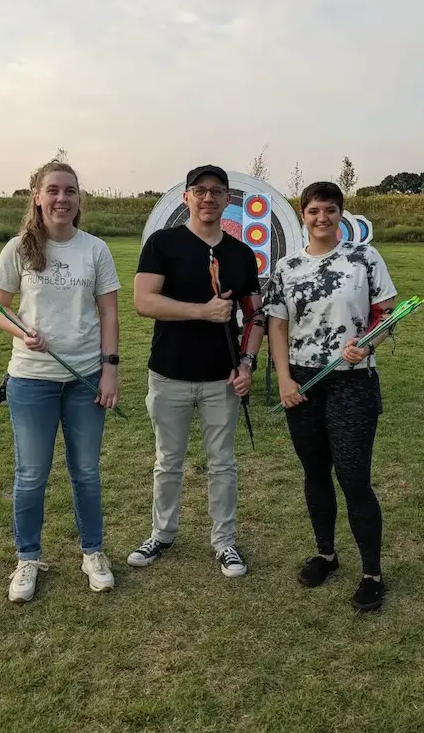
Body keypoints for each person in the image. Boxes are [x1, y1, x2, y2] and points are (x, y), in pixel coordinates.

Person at [0, 159, 121, 603]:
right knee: (31, 474)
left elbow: (108, 312)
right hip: (30, 379)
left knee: (86, 471)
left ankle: (93, 553)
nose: (62, 198)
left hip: (84, 378)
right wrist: (21, 330)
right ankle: (28, 558)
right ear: (38, 197)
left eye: (70, 191)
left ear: (79, 199)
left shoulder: (95, 250)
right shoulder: (19, 248)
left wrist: (110, 369)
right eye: (53, 190)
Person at [264, 181, 397, 612]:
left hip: (352, 380)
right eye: (314, 210)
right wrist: (285, 379)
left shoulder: (364, 258)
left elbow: (387, 313)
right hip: (304, 381)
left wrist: (369, 344)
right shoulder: (286, 267)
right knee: (315, 472)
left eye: (331, 210)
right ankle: (326, 554)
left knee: (354, 477)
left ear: (342, 214)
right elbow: (278, 326)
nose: (322, 218)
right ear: (302, 214)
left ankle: (372, 573)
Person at [128, 165, 265, 577]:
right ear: (186, 197)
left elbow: (255, 316)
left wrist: (248, 362)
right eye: (200, 191)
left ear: (227, 200)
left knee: (222, 463)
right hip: (169, 372)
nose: (208, 198)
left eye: (217, 192)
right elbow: (144, 301)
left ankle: (225, 542)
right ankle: (162, 533)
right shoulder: (163, 243)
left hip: (221, 377)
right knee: (168, 461)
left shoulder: (240, 254)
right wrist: (201, 312)